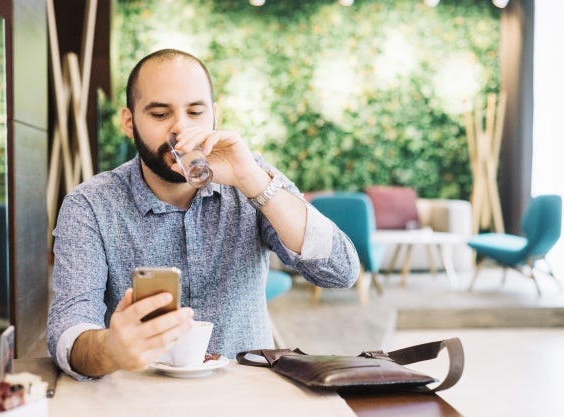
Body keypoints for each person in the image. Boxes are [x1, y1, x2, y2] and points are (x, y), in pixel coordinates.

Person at [47, 48, 359, 380]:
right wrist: (109, 348)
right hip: (140, 400)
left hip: (247, 396)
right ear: (129, 122)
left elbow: (339, 272)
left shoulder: (252, 176)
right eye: (159, 114)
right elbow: (68, 328)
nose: (180, 130)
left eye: (195, 112)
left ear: (215, 116)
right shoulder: (90, 204)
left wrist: (252, 181)